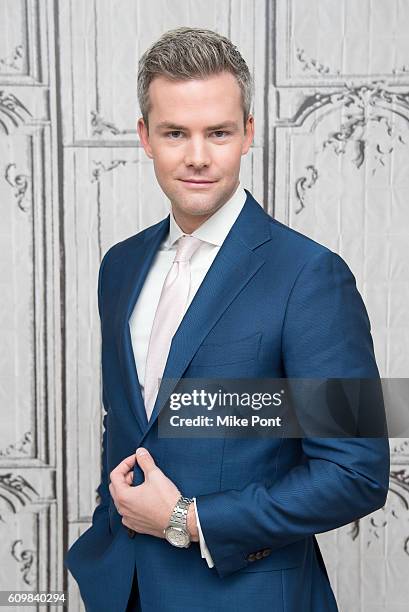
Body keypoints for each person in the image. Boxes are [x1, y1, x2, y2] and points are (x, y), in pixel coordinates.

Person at [64, 27, 390, 612]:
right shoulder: (120, 265)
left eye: (217, 132)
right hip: (123, 591)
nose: (196, 156)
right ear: (145, 137)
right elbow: (131, 424)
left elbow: (357, 472)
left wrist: (188, 520)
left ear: (248, 133)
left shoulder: (313, 275)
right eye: (174, 133)